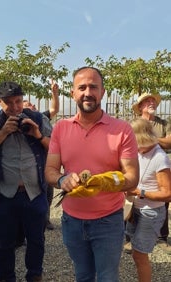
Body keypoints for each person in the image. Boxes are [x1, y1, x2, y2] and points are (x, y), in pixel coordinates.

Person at [45, 66, 139, 282]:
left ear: (102, 92)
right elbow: (50, 171)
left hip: (108, 221)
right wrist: (62, 179)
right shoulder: (61, 128)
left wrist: (106, 181)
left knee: (107, 276)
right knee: (83, 275)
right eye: (82, 87)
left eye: (93, 87)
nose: (88, 92)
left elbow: (132, 177)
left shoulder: (122, 129)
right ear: (73, 93)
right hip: (72, 221)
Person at [0, 81, 52, 282]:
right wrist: (3, 132)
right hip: (5, 195)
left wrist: (38, 135)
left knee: (36, 240)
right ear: (0, 102)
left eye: (18, 101)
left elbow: (56, 150)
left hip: (35, 193)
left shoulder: (37, 118)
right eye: (9, 103)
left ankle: (34, 276)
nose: (16, 107)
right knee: (5, 243)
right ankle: (7, 278)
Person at [124, 92, 171, 255]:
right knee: (137, 250)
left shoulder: (159, 156)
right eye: (147, 101)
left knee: (141, 254)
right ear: (140, 107)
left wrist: (140, 192)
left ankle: (160, 238)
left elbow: (167, 194)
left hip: (150, 209)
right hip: (137, 205)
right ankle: (134, 241)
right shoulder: (138, 147)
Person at [23, 80, 59, 230]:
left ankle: (45, 219)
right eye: (28, 105)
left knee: (47, 193)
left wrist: (54, 92)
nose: (32, 106)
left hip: (44, 163)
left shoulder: (40, 117)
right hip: (29, 166)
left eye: (31, 104)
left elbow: (54, 109)